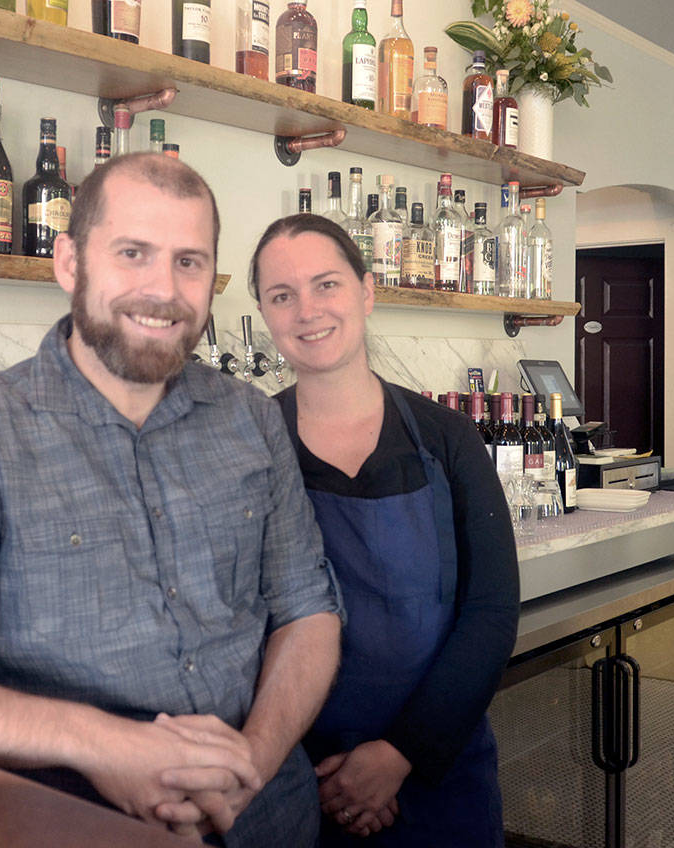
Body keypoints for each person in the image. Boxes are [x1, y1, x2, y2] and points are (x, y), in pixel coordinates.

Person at [0, 155, 343, 846]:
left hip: (272, 820)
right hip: (74, 825)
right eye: (133, 254)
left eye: (190, 262)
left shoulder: (250, 417)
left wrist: (249, 764)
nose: (164, 290)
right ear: (69, 262)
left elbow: (308, 612)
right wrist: (103, 744)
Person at [248, 214, 520, 846]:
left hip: (439, 762)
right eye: (282, 295)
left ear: (366, 292)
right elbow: (234, 623)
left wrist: (399, 755)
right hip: (304, 776)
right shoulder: (246, 446)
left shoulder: (446, 437)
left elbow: (491, 612)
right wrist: (322, 773)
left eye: (326, 285)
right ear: (263, 311)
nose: (307, 310)